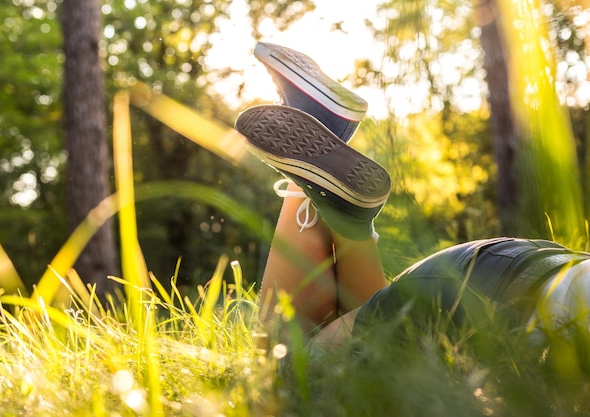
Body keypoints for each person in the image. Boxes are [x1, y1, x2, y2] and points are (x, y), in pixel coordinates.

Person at [237, 42, 590, 351]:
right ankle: (323, 153)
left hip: (524, 263)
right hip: (494, 303)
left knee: (349, 350)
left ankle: (332, 168)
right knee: (287, 368)